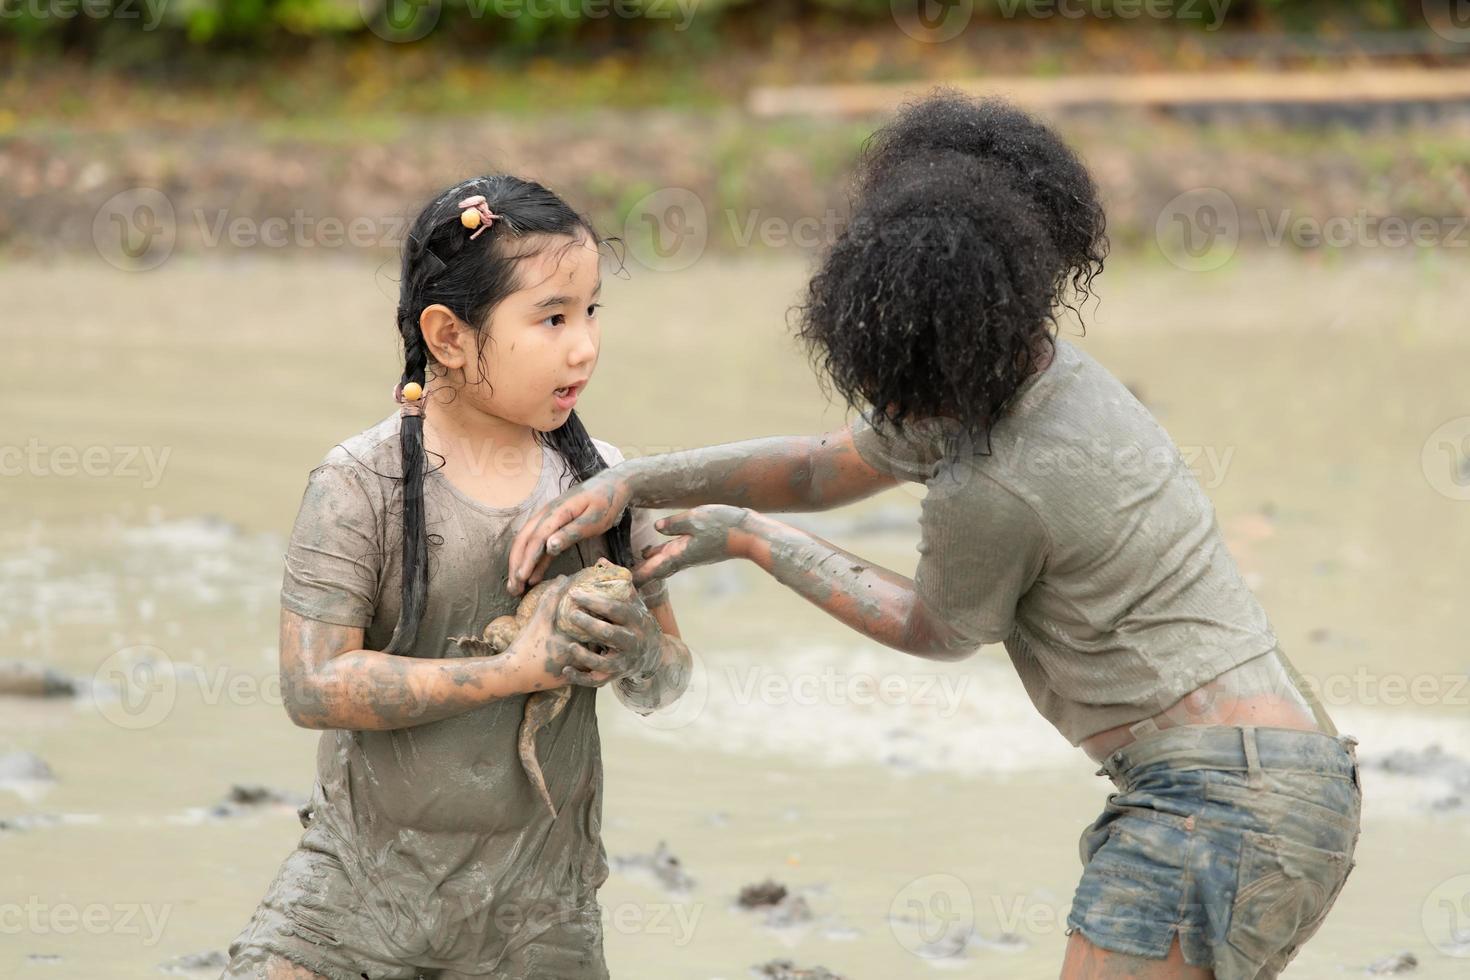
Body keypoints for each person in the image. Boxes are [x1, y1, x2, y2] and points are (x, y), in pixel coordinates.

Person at [506, 93, 1361, 980]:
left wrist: (754, 541)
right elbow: (816, 468)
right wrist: (631, 480)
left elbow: (938, 629)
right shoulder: (1027, 369)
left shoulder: (994, 482)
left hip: (1219, 806)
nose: (884, 404)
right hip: (1278, 783)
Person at [222, 175, 692, 980]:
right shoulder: (357, 485)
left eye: (591, 312)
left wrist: (639, 648)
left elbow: (666, 684)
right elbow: (310, 687)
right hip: (360, 891)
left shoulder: (607, 486)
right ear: (446, 334)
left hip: (539, 906)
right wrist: (510, 672)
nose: (584, 346)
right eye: (551, 318)